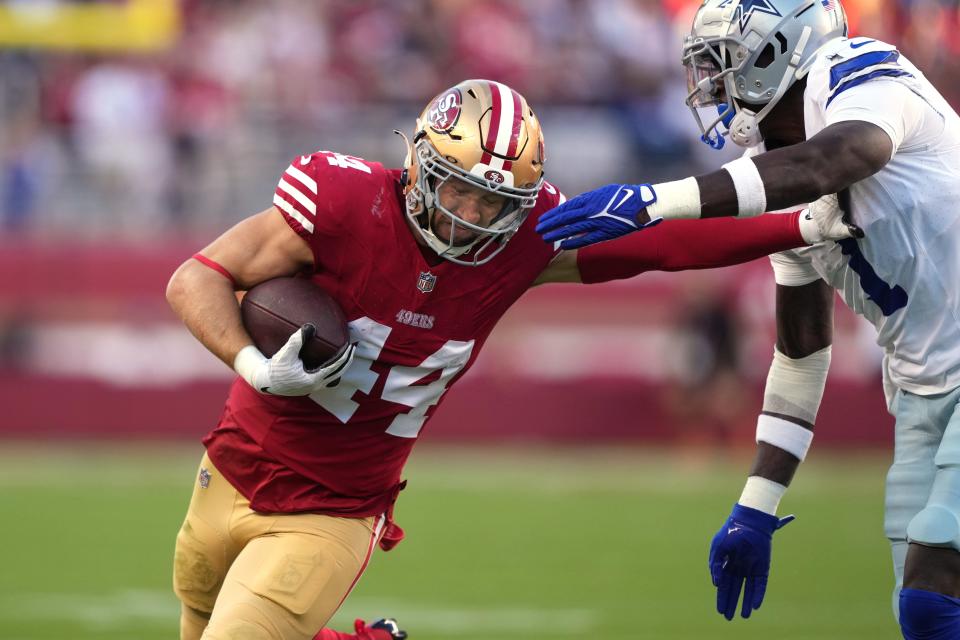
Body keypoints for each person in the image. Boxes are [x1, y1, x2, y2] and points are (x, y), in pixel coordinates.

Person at [165, 78, 855, 640]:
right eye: (459, 188)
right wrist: (255, 367)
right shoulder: (341, 202)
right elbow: (194, 278)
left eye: (495, 201)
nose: (471, 213)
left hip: (334, 508)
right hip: (225, 468)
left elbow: (663, 246)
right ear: (419, 166)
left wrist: (796, 224)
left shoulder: (525, 239)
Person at [535, 0, 960, 637]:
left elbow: (839, 157)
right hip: (922, 389)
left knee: (935, 585)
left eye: (719, 62)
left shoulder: (854, 69)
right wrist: (757, 504)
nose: (708, 81)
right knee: (920, 608)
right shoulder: (772, 165)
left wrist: (657, 200)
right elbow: (802, 349)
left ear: (773, 50)